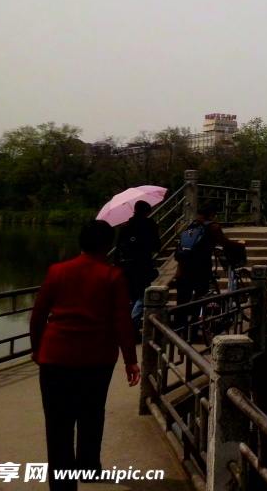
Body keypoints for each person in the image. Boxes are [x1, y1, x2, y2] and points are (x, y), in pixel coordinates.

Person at [30, 219, 140, 491]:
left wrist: (37, 348)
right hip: (97, 358)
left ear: (80, 243)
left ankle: (63, 486)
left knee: (58, 424)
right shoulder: (113, 275)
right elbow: (122, 321)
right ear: (108, 245)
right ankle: (89, 467)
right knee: (92, 414)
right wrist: (130, 359)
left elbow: (38, 314)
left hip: (56, 357)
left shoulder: (57, 271)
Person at [174, 201, 245, 308]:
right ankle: (198, 324)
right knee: (200, 302)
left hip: (182, 271)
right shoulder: (213, 227)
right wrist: (239, 244)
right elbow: (225, 242)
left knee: (181, 304)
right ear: (212, 214)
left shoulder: (189, 227)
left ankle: (179, 324)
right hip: (200, 271)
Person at [115, 199, 161, 335]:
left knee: (131, 296)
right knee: (142, 295)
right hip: (143, 265)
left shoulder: (125, 226)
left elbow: (119, 248)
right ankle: (130, 324)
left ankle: (127, 325)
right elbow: (157, 246)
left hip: (125, 266)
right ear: (148, 211)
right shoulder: (149, 225)